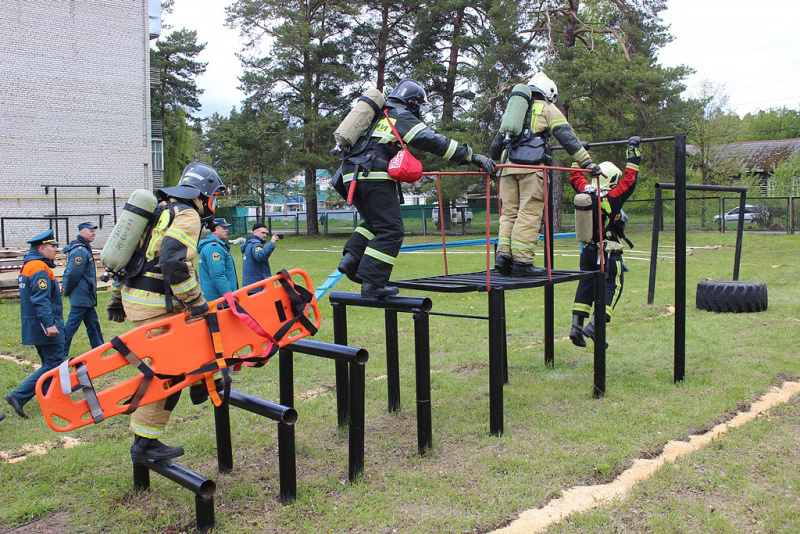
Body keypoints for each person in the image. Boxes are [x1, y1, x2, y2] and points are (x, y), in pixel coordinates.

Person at [106, 162, 224, 462]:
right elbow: (174, 262)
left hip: (137, 299)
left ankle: (202, 386)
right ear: (204, 192)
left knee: (195, 346)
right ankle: (145, 443)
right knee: (171, 373)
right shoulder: (187, 215)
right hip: (158, 303)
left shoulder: (158, 210)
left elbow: (129, 257)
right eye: (215, 195)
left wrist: (116, 298)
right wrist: (195, 299)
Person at [336, 78, 495, 297]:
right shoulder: (399, 114)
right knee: (391, 230)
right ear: (412, 102)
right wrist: (470, 156)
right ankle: (373, 283)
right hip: (373, 174)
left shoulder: (375, 116)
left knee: (373, 223)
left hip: (349, 175)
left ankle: (351, 260)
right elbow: (433, 140)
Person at [490, 71, 601, 277]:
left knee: (509, 213)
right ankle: (522, 262)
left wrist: (493, 161)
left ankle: (503, 257)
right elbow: (566, 137)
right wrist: (586, 162)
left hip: (506, 168)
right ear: (549, 93)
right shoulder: (547, 108)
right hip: (531, 169)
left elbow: (495, 147)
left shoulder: (515, 109)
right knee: (529, 212)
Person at [568, 136, 641, 347]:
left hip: (588, 252)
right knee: (613, 287)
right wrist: (633, 154)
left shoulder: (584, 191)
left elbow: (575, 176)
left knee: (585, 287)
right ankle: (594, 325)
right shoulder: (613, 197)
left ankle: (576, 327)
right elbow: (630, 180)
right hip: (608, 253)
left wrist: (579, 155)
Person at [5, 229, 66, 419]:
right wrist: (49, 324)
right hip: (44, 324)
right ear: (41, 248)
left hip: (34, 323)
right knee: (54, 362)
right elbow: (41, 300)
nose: (56, 249)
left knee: (50, 363)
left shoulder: (29, 265)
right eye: (52, 246)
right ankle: (18, 396)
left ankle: (48, 398)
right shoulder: (39, 267)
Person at [61, 221, 103, 357]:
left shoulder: (84, 249)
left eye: (94, 231)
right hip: (81, 295)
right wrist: (66, 290)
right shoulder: (80, 251)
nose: (93, 233)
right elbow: (72, 274)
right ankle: (60, 351)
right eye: (91, 231)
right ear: (82, 232)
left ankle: (99, 348)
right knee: (71, 326)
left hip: (86, 295)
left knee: (93, 324)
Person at [197, 217, 238, 301]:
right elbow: (218, 275)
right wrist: (229, 296)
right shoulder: (214, 248)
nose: (227, 230)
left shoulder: (215, 246)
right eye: (224, 228)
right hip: (219, 299)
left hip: (218, 297)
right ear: (215, 230)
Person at [240, 222, 280, 287]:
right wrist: (272, 243)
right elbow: (260, 256)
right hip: (258, 284)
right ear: (255, 232)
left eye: (266, 233)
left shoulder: (248, 245)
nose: (265, 235)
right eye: (263, 233)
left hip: (248, 284)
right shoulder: (256, 244)